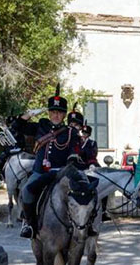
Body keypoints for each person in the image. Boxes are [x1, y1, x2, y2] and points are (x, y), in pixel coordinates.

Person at [19, 89, 89, 239]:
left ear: (64, 115)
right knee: (26, 191)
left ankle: (84, 226)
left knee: (85, 190)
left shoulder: (70, 132)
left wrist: (69, 164)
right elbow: (18, 127)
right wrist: (29, 114)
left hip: (60, 173)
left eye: (59, 112)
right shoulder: (40, 126)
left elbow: (73, 151)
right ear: (49, 113)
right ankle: (29, 225)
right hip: (40, 172)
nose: (56, 115)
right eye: (53, 112)